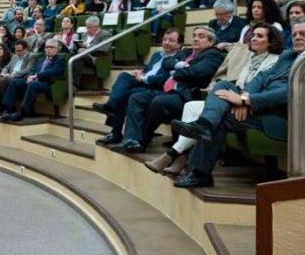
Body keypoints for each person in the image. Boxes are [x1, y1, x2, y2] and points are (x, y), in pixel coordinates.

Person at [172, 17, 305, 188]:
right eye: (294, 34)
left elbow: (290, 93)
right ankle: (203, 129)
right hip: (263, 110)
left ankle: (200, 171)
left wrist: (246, 100)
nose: (297, 37)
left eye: (302, 34)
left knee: (220, 118)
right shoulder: (289, 55)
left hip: (286, 120)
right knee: (223, 85)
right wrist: (243, 97)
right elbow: (262, 77)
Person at [146, 24, 284, 175]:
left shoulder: (275, 61)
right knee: (192, 106)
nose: (253, 38)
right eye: (253, 35)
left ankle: (174, 155)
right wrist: (238, 98)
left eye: (259, 36)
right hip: (239, 101)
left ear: (271, 42)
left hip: (256, 108)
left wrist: (243, 101)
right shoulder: (252, 59)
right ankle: (184, 153)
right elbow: (241, 85)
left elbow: (264, 90)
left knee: (215, 105)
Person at [112, 26, 223, 152]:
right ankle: (131, 139)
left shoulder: (212, 55)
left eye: (201, 36)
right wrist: (178, 65)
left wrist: (175, 72)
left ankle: (141, 142)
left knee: (159, 102)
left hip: (185, 95)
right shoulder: (186, 52)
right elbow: (167, 63)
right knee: (136, 97)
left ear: (211, 42)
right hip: (168, 91)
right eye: (194, 35)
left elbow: (197, 72)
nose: (196, 39)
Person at [94, 28, 184, 145]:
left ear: (180, 44)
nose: (166, 42)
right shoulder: (157, 54)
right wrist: (140, 72)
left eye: (171, 40)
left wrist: (143, 78)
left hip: (156, 88)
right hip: (144, 81)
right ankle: (111, 105)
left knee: (126, 94)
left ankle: (116, 129)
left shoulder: (178, 59)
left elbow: (164, 79)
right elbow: (149, 70)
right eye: (165, 39)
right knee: (124, 76)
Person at [0, 39, 65, 121]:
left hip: (47, 84)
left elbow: (54, 71)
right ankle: (6, 109)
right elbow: (32, 71)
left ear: (57, 49)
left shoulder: (59, 59)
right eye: (47, 47)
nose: (48, 49)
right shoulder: (41, 59)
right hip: (36, 81)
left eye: (51, 47)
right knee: (14, 82)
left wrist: (36, 76)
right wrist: (28, 77)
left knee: (32, 84)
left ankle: (22, 112)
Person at [0, 40, 37, 116]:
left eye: (20, 51)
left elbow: (28, 70)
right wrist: (3, 74)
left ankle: (6, 107)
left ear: (26, 49)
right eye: (16, 50)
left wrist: (13, 75)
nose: (17, 53)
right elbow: (6, 67)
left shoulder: (31, 56)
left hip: (20, 78)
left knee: (5, 80)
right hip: (8, 76)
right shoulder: (14, 56)